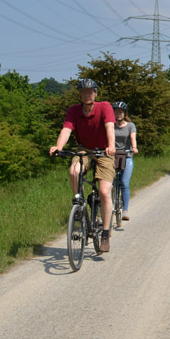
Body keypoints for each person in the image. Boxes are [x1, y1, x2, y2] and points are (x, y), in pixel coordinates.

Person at [49, 78, 116, 252]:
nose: (87, 94)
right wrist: (59, 147)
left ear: (95, 93)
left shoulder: (105, 107)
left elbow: (109, 127)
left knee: (103, 191)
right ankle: (79, 204)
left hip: (103, 151)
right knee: (74, 171)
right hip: (84, 149)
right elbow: (66, 130)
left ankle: (105, 233)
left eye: (90, 91)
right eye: (83, 92)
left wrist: (111, 146)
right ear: (80, 94)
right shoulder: (73, 110)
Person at [112, 101, 138, 221]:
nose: (118, 114)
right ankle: (112, 206)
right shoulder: (111, 125)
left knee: (124, 182)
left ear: (124, 113)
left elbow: (133, 137)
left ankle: (125, 210)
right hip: (113, 156)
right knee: (112, 183)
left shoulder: (130, 125)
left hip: (127, 156)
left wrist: (134, 147)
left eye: (120, 112)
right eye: (116, 112)